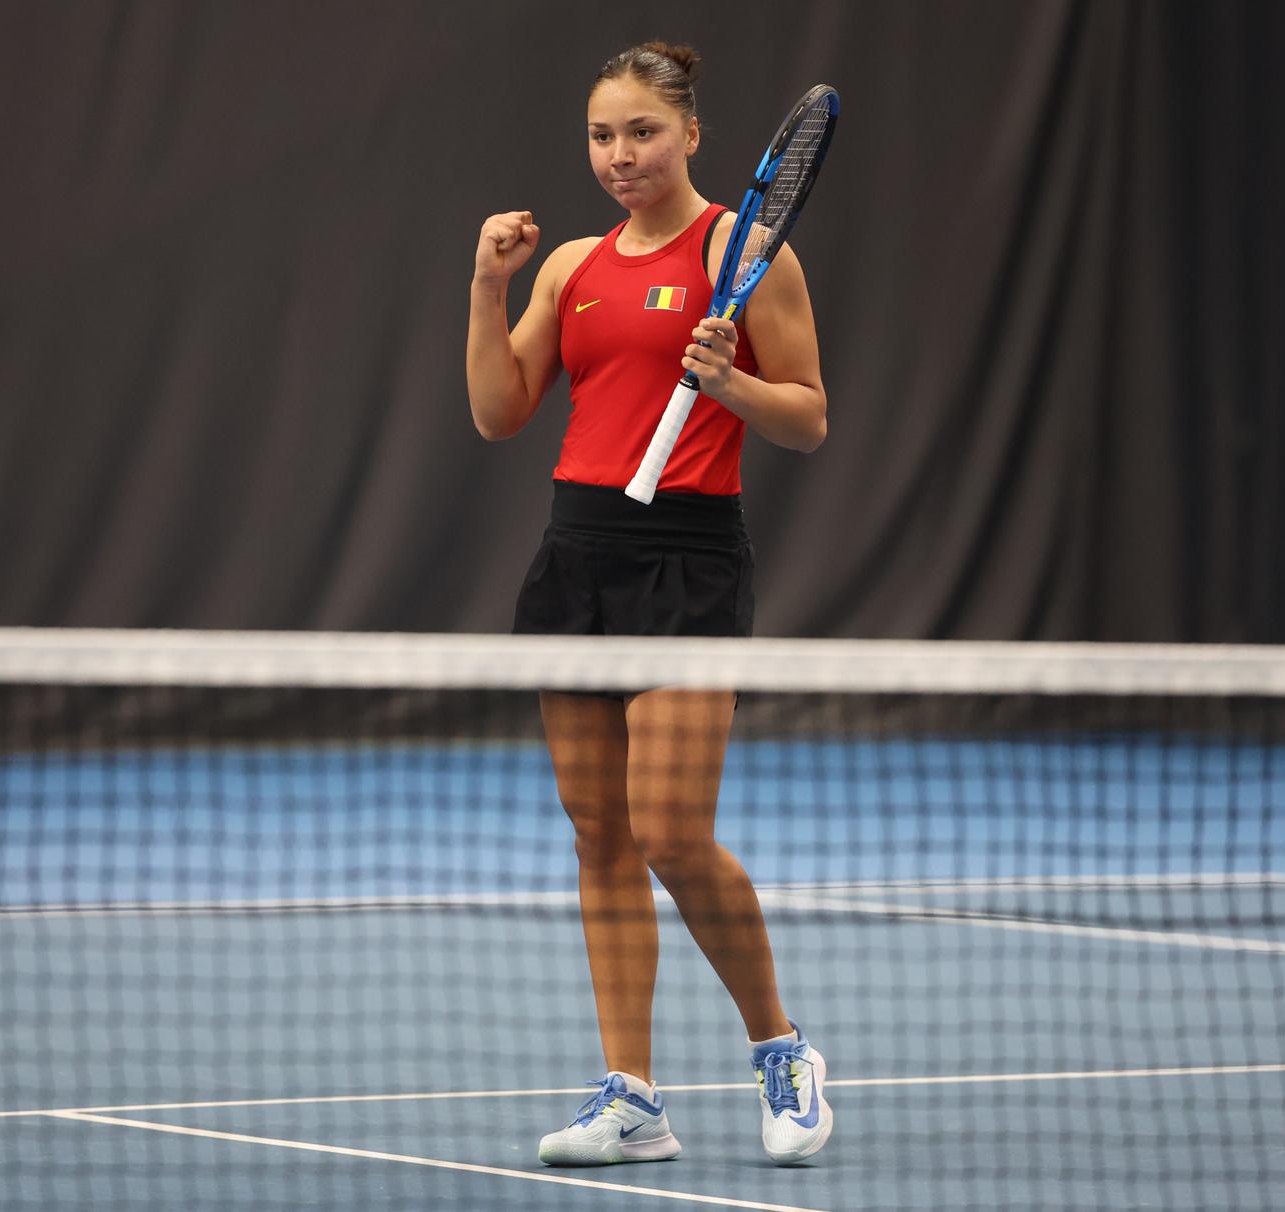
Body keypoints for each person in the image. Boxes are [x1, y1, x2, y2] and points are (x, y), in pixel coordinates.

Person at [465, 41, 832, 1168]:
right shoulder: (570, 264)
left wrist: (731, 382)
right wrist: (488, 285)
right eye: (602, 135)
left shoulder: (748, 253)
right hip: (577, 557)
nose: (620, 155)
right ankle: (632, 1096)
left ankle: (782, 1049)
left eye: (641, 132)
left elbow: (808, 417)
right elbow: (499, 410)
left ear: (690, 136)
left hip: (688, 561)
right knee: (601, 837)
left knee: (671, 828)